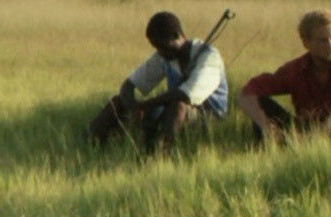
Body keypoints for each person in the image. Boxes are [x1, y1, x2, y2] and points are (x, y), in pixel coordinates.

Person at [87, 11, 229, 153]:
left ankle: (161, 153)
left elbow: (186, 95)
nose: (160, 52)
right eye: (156, 47)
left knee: (178, 106)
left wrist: (144, 105)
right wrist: (131, 105)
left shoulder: (209, 57)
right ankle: (90, 141)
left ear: (176, 36)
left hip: (208, 116)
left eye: (162, 46)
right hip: (171, 108)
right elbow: (129, 84)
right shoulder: (165, 55)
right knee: (117, 101)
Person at [239, 9, 331, 144]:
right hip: (307, 132)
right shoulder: (296, 69)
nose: (330, 45)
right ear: (306, 43)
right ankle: (269, 151)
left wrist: (311, 139)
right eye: (323, 40)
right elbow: (247, 92)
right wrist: (266, 127)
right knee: (262, 103)